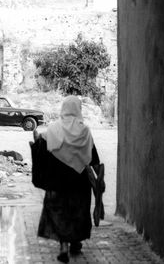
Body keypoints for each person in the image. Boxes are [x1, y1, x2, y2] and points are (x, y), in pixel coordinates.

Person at [35, 96, 101, 263]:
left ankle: (64, 246)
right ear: (78, 109)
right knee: (78, 212)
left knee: (60, 213)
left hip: (58, 181)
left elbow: (44, 154)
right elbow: (93, 159)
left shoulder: (53, 129)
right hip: (79, 182)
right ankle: (75, 242)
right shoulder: (85, 131)